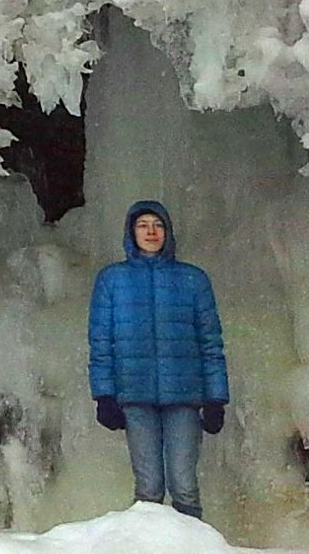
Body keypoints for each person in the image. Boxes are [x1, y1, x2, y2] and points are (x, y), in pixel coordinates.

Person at [87, 199, 229, 519]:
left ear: (168, 231)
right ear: (131, 232)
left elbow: (210, 342)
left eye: (158, 225)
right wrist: (104, 395)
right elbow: (101, 342)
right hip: (134, 393)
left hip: (185, 395)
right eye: (143, 226)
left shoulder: (193, 279)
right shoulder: (112, 280)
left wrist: (216, 398)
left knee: (184, 484)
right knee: (149, 487)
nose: (151, 232)